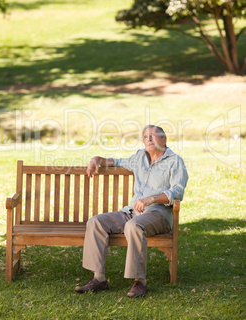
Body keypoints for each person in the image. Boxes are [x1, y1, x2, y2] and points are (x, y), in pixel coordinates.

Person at [75, 125, 188, 297]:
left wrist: (152, 198)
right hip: (132, 212)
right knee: (96, 222)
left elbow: (178, 191)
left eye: (153, 135)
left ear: (164, 140)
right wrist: (97, 159)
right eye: (145, 136)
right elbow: (117, 162)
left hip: (158, 214)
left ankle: (139, 282)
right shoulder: (139, 157)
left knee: (133, 226)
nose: (149, 139)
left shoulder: (175, 161)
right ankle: (99, 279)